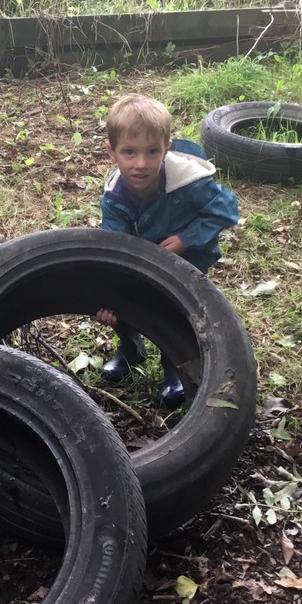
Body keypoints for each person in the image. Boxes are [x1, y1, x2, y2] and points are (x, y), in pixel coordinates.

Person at [95, 93, 239, 407]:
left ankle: (173, 366)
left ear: (167, 148)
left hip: (189, 255)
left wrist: (186, 238)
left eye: (152, 152)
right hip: (144, 256)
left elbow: (227, 210)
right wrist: (109, 299)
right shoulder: (115, 197)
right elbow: (115, 251)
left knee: (176, 308)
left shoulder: (190, 181)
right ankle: (131, 350)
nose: (141, 164)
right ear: (112, 152)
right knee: (124, 299)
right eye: (129, 152)